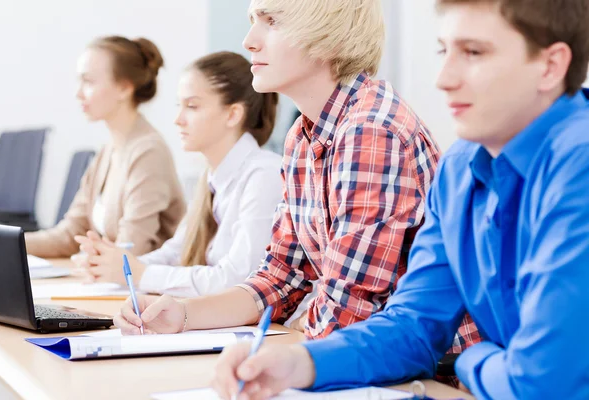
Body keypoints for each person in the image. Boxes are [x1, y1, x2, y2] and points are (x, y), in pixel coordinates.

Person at [208, 0, 589, 399]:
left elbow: (542, 382)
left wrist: (472, 361)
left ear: (550, 66)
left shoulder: (578, 164)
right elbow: (413, 327)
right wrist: (299, 364)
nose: (443, 79)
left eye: (474, 53)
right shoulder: (461, 168)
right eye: (445, 51)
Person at [114, 0, 480, 355]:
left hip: (433, 372)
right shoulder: (304, 137)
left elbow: (349, 306)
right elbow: (280, 277)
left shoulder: (370, 131)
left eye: (271, 21)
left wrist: (288, 366)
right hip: (365, 358)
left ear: (329, 37)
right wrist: (184, 314)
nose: (249, 40)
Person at [73, 51, 283, 298]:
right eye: (179, 106)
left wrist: (138, 273)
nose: (178, 120)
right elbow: (176, 252)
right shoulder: (212, 177)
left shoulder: (264, 175)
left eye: (192, 106)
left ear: (233, 114)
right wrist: (115, 265)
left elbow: (239, 281)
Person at [25, 36, 186, 257]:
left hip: (142, 288)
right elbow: (70, 234)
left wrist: (93, 256)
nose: (78, 93)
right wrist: (6, 241)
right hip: (112, 283)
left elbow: (131, 251)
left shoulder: (148, 152)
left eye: (88, 81)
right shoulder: (108, 151)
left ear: (124, 88)